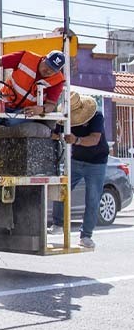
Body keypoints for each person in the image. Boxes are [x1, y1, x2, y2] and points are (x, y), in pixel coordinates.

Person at [48, 92, 109, 249]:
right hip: (75, 160)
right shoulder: (65, 117)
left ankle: (86, 235)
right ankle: (58, 224)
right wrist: (54, 135)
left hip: (96, 162)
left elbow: (95, 139)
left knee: (93, 199)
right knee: (62, 190)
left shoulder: (96, 116)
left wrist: (76, 140)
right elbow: (55, 135)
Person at [0, 49, 66, 125]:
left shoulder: (57, 80)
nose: (48, 71)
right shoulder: (25, 58)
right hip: (4, 102)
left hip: (25, 110)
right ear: (44, 58)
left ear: (58, 71)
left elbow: (51, 104)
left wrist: (41, 109)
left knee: (11, 122)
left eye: (53, 70)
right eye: (48, 65)